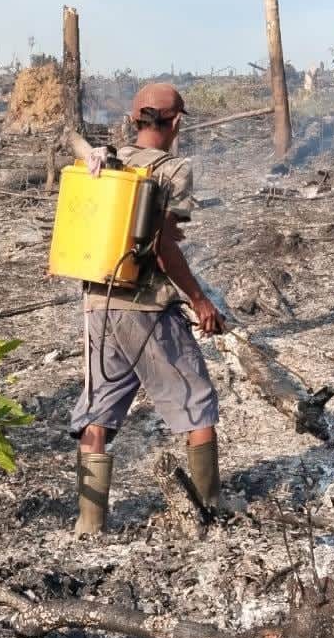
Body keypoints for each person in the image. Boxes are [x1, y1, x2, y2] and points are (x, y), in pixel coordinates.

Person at [69, 83, 226, 535]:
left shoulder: (105, 162)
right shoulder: (174, 169)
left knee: (98, 409)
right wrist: (199, 300)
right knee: (197, 403)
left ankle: (89, 524)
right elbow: (163, 249)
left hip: (98, 303)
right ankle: (212, 507)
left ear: (134, 120)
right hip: (148, 307)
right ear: (175, 122)